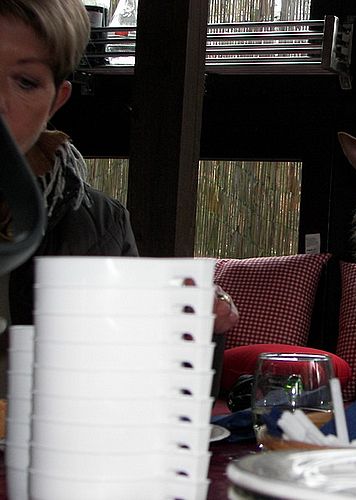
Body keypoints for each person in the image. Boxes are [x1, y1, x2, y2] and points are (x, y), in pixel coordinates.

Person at [0, 0, 238, 390]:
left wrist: (195, 321)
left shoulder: (96, 223)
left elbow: (128, 383)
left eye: (26, 81)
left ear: (56, 101)